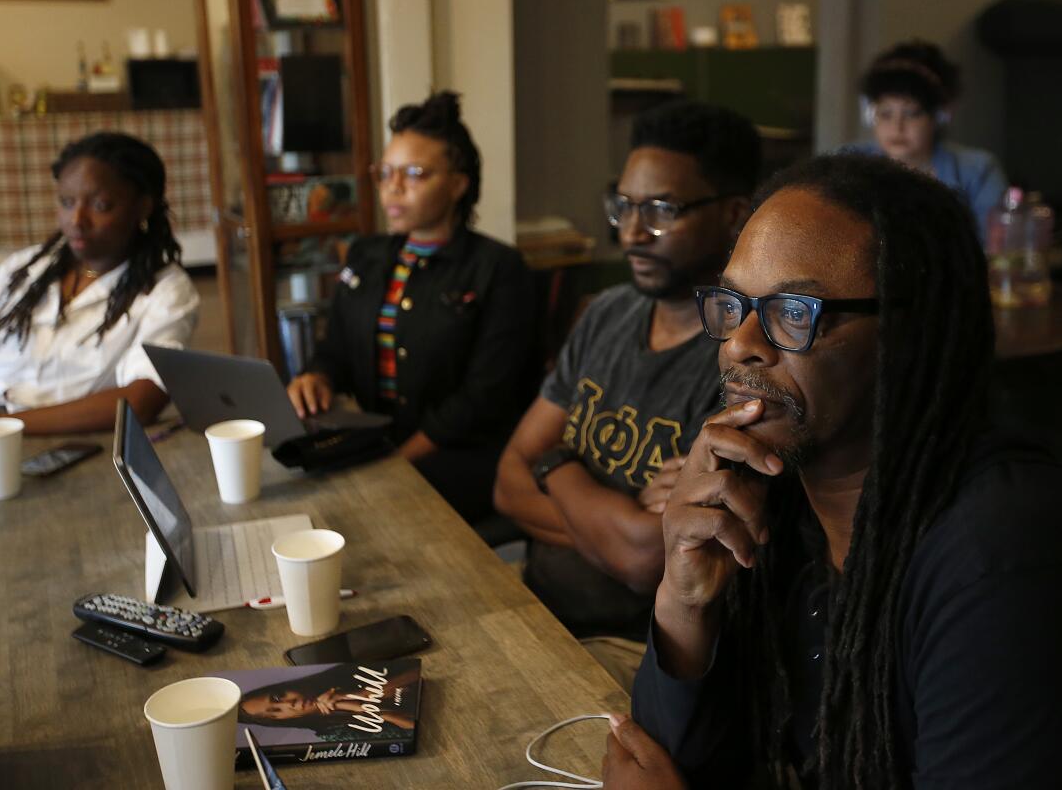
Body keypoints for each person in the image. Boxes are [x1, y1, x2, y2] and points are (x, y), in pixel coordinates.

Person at [602, 153, 1062, 788]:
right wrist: (683, 601)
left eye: (794, 311)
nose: (738, 344)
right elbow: (656, 760)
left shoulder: (1006, 562)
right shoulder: (767, 499)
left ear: (906, 333)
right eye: (733, 303)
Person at [494, 101, 761, 692]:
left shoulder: (745, 355)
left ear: (735, 215)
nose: (633, 232)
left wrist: (554, 464)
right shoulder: (608, 313)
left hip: (632, 651)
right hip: (529, 601)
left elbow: (646, 564)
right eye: (625, 206)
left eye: (663, 210)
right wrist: (608, 523)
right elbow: (507, 482)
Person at [286, 92, 534, 523]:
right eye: (386, 172)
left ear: (459, 184)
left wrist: (400, 458)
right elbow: (337, 348)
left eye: (415, 174)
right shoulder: (366, 255)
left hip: (462, 455)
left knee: (355, 509)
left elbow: (484, 397)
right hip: (377, 441)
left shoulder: (498, 268)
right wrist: (316, 376)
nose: (393, 187)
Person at [0, 132, 199, 448]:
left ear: (142, 207)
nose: (76, 220)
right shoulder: (20, 271)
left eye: (100, 205)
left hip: (74, 444)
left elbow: (141, 401)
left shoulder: (164, 291)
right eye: (66, 202)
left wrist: (1, 424)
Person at [850, 39, 1007, 236]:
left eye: (912, 114)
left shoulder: (977, 171)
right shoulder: (847, 164)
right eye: (885, 114)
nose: (897, 127)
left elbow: (997, 247)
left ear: (939, 115)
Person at [239, 665, 421, 734]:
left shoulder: (338, 673)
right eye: (276, 712)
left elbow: (418, 672)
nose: (288, 704)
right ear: (282, 722)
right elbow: (415, 728)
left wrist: (361, 694)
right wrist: (358, 707)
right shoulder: (329, 731)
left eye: (278, 697)